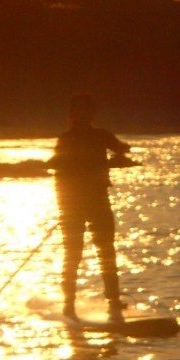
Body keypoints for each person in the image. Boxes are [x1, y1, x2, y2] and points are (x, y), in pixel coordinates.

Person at [48, 94, 131, 323]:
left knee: (106, 250)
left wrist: (121, 151)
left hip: (97, 201)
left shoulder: (101, 135)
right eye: (78, 112)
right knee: (73, 253)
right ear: (72, 115)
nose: (82, 116)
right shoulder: (66, 139)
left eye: (86, 112)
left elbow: (121, 148)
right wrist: (65, 205)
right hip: (72, 204)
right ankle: (68, 304)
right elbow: (58, 169)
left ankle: (114, 301)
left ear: (91, 114)